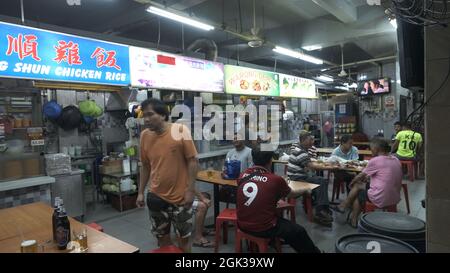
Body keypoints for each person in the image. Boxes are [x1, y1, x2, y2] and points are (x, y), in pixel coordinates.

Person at [136, 98, 199, 253]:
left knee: (183, 241)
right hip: (156, 197)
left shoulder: (180, 131)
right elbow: (145, 166)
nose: (146, 119)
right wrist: (140, 192)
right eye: (144, 115)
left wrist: (190, 191)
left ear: (163, 115)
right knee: (162, 240)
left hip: (181, 198)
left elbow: (192, 161)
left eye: (150, 114)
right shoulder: (144, 135)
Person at [236, 147, 321, 253]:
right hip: (263, 227)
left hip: (241, 224)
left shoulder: (242, 175)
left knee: (277, 218)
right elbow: (292, 195)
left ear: (253, 159)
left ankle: (273, 242)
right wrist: (306, 189)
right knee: (299, 231)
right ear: (270, 160)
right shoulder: (275, 180)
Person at [331, 139, 402, 228]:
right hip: (395, 196)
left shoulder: (376, 160)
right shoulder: (395, 159)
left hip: (381, 197)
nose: (370, 150)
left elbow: (360, 176)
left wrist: (352, 183)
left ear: (376, 149)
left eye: (371, 148)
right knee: (359, 187)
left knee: (357, 191)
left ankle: (352, 218)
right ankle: (344, 205)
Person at [287, 130, 336, 227]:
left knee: (318, 180)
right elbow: (312, 166)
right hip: (296, 180)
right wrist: (330, 167)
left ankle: (322, 208)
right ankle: (321, 210)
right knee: (321, 181)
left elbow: (309, 165)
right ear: (303, 140)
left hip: (297, 177)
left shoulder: (300, 150)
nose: (312, 142)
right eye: (310, 140)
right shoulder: (301, 152)